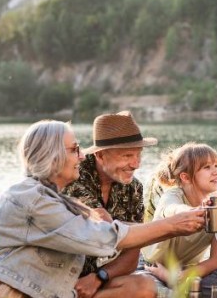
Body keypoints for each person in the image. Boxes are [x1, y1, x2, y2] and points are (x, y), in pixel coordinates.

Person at [0, 120, 205, 298]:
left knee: (143, 287)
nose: (81, 156)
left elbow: (122, 236)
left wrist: (179, 225)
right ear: (52, 155)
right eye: (74, 149)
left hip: (46, 289)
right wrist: (174, 225)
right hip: (1, 292)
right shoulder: (33, 199)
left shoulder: (50, 196)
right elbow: (102, 236)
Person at [62, 111, 156, 297]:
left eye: (139, 155)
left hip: (92, 281)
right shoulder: (75, 177)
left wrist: (99, 277)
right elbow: (103, 224)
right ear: (101, 155)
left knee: (145, 286)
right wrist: (169, 226)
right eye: (127, 155)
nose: (136, 164)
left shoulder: (134, 188)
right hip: (57, 279)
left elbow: (132, 252)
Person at [141, 142, 217, 296]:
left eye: (216, 166)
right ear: (185, 177)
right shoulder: (173, 196)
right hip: (153, 268)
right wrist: (194, 212)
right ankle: (183, 291)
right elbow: (171, 210)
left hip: (186, 271)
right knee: (143, 283)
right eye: (207, 167)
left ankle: (177, 288)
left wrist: (179, 277)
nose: (216, 172)